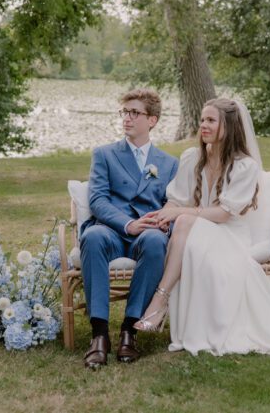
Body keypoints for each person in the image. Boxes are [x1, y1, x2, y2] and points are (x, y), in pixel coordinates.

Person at [135, 97, 270, 357]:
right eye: (202, 120)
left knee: (185, 221)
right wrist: (163, 215)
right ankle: (161, 305)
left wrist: (180, 213)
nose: (203, 126)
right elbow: (177, 198)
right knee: (182, 223)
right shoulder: (191, 157)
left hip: (230, 237)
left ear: (229, 126)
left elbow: (223, 215)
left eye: (211, 120)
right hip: (194, 235)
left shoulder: (245, 166)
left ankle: (160, 301)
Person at [79, 89, 178, 368]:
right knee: (93, 236)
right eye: (125, 112)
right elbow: (97, 199)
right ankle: (99, 335)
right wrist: (127, 224)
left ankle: (129, 331)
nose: (127, 118)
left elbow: (172, 203)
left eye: (135, 113)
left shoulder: (169, 164)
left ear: (153, 120)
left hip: (146, 232)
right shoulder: (104, 154)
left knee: (157, 242)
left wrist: (159, 219)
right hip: (112, 228)